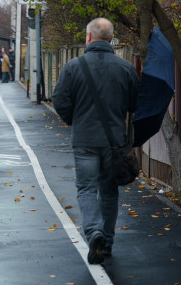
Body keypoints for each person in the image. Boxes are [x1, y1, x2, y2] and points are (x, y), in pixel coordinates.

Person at [52, 18, 139, 265]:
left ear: (88, 37)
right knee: (109, 191)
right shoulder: (125, 68)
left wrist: (73, 119)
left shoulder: (73, 67)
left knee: (86, 188)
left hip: (85, 141)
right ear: (111, 39)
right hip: (114, 143)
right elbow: (134, 104)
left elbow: (60, 100)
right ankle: (107, 243)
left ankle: (94, 233)